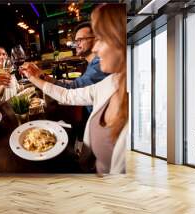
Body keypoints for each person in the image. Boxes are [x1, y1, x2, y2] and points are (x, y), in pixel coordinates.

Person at [20, 4, 128, 174]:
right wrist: (35, 77)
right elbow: (68, 94)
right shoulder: (112, 83)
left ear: (121, 40)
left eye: (100, 38)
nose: (95, 48)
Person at [44, 21, 108, 113]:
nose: (76, 45)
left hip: (98, 119)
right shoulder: (94, 63)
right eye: (75, 41)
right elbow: (84, 84)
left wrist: (38, 77)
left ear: (96, 39)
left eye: (80, 40)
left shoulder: (98, 66)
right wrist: (50, 79)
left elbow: (72, 90)